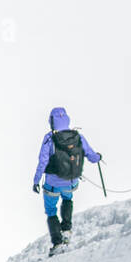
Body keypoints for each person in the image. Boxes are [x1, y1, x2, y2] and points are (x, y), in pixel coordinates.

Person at [32, 106, 101, 250]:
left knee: (51, 210)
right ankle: (67, 230)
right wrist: (98, 157)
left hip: (52, 183)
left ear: (52, 121)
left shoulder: (49, 138)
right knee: (67, 199)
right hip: (71, 181)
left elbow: (43, 161)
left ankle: (57, 243)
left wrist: (36, 181)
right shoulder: (77, 136)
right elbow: (91, 155)